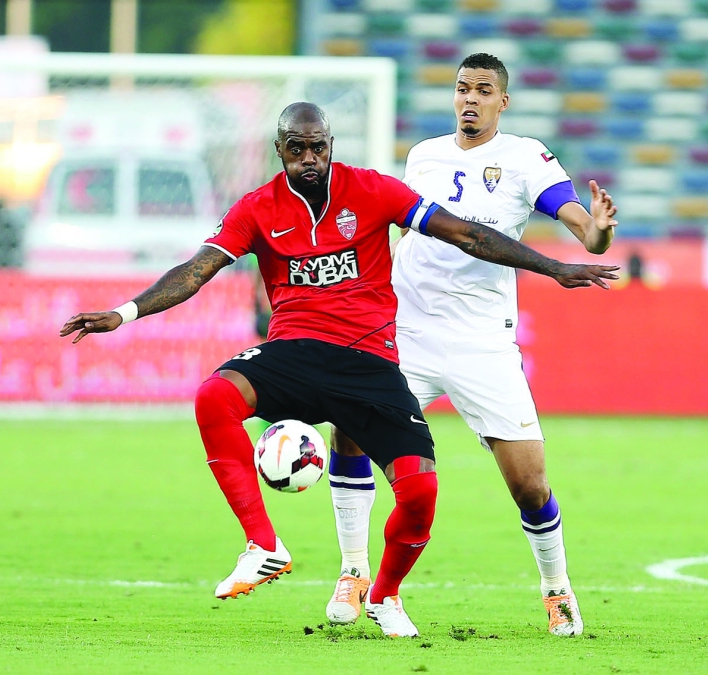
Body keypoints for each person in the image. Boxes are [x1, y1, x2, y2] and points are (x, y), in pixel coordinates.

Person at [59, 102, 617, 638]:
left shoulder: (373, 190)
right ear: (280, 150)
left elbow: (468, 234)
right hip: (296, 352)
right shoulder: (256, 207)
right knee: (214, 397)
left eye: (318, 148)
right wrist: (124, 313)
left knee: (424, 490)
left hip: (373, 359)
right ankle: (269, 547)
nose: (309, 158)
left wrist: (554, 267)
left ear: (331, 146)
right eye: (297, 149)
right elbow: (196, 270)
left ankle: (386, 595)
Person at [324, 54, 619, 637]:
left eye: (483, 90)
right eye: (463, 88)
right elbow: (401, 229)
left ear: (502, 102)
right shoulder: (423, 156)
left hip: (481, 341)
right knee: (349, 428)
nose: (470, 99)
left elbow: (585, 232)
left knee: (529, 483)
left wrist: (600, 229)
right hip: (408, 331)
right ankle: (353, 572)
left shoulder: (525, 157)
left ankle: (556, 587)